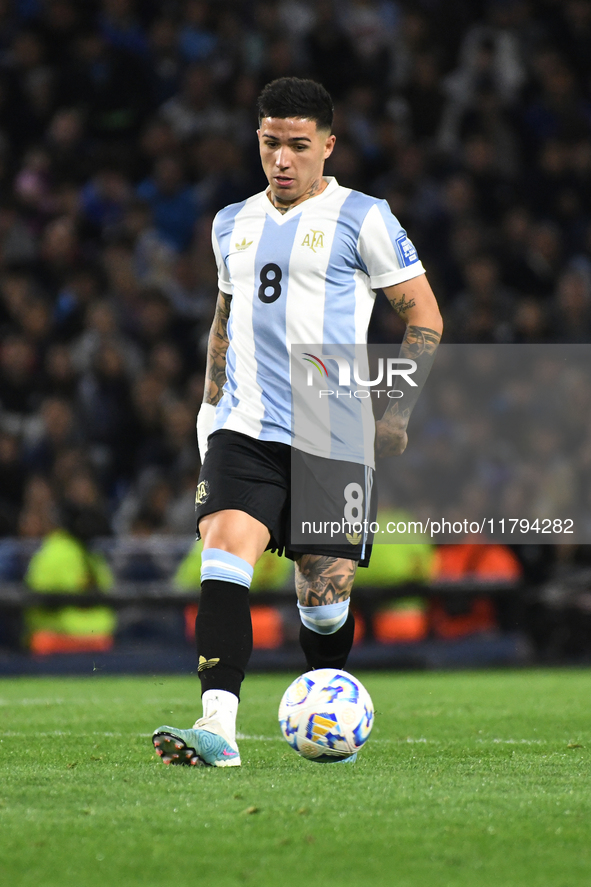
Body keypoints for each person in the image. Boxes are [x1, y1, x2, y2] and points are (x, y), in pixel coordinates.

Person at [152, 77, 442, 767]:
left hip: (331, 431)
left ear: (327, 146)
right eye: (269, 144)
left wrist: (394, 410)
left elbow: (423, 314)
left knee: (322, 598)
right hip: (242, 427)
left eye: (297, 146)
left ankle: (328, 705)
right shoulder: (231, 222)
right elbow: (222, 324)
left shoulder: (364, 217)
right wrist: (208, 413)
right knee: (223, 555)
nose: (281, 159)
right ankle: (217, 726)